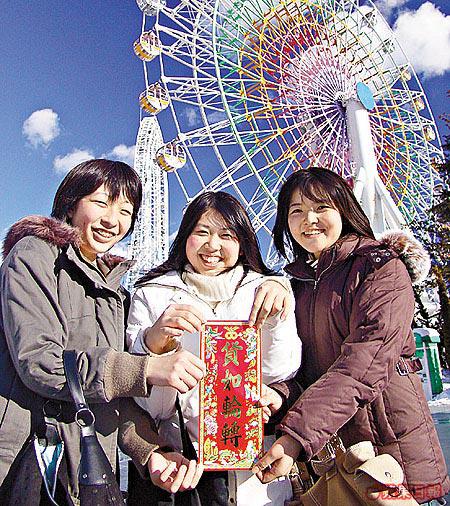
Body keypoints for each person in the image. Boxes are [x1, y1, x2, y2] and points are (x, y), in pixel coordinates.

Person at [0, 159, 207, 505]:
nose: (113, 220)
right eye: (100, 203)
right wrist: (147, 368)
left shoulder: (116, 295)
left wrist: (151, 452)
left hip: (89, 469)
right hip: (27, 461)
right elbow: (40, 362)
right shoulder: (35, 254)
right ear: (70, 204)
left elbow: (111, 395)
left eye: (126, 211)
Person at [252, 167, 450, 504]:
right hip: (335, 461)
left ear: (344, 209)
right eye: (296, 211)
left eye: (321, 207)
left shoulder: (381, 268)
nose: (308, 219)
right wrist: (280, 395)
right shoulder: (300, 287)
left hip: (391, 456)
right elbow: (309, 371)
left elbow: (367, 361)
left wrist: (297, 435)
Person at [127, 191, 302, 505]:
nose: (212, 245)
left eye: (226, 235)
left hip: (253, 460)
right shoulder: (152, 294)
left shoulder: (267, 289)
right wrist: (154, 344)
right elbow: (153, 409)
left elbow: (279, 373)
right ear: (185, 237)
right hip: (182, 462)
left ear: (243, 243)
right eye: (202, 232)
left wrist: (276, 319)